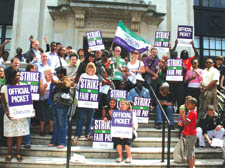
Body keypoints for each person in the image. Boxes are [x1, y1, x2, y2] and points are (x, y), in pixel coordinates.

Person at [1, 69, 29, 162]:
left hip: (21, 114)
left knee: (19, 134)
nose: (19, 77)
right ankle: (9, 153)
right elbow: (3, 102)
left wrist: (31, 111)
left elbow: (28, 101)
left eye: (19, 76)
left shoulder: (23, 86)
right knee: (10, 135)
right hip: (10, 113)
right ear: (11, 77)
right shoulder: (5, 88)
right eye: (17, 76)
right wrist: (6, 112)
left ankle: (18, 153)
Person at [73, 62, 98, 144]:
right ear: (87, 68)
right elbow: (78, 88)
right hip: (83, 101)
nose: (90, 69)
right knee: (81, 118)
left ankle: (88, 133)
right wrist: (77, 100)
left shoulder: (96, 77)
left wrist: (96, 102)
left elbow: (97, 91)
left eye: (92, 68)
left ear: (94, 69)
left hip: (92, 102)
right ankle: (77, 134)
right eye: (89, 68)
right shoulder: (83, 75)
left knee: (90, 118)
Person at [48, 67, 71, 149]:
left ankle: (62, 142)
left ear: (62, 73)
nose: (57, 75)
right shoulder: (58, 80)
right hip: (55, 104)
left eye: (58, 73)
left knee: (62, 124)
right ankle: (54, 141)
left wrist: (54, 81)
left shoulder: (66, 79)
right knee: (56, 124)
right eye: (56, 73)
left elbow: (66, 85)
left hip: (62, 105)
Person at [180, 97, 198, 168]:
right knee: (192, 150)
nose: (186, 105)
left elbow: (185, 122)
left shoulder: (192, 113)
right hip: (190, 133)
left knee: (190, 152)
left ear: (193, 105)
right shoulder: (192, 112)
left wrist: (183, 114)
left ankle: (191, 166)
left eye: (188, 104)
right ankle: (192, 165)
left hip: (191, 135)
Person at [96, 50, 114, 118]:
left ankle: (106, 116)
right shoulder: (98, 63)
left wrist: (107, 80)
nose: (102, 57)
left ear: (107, 56)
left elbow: (113, 74)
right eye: (102, 55)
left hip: (109, 85)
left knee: (107, 100)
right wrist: (103, 80)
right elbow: (97, 73)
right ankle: (99, 115)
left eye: (104, 55)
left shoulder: (111, 63)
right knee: (99, 100)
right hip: (101, 84)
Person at [39, 69, 54, 136]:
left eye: (51, 74)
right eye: (49, 74)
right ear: (45, 75)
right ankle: (42, 130)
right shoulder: (42, 81)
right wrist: (44, 88)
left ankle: (51, 130)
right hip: (43, 100)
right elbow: (40, 94)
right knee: (42, 115)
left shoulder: (54, 80)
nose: (50, 75)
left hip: (51, 101)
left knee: (51, 115)